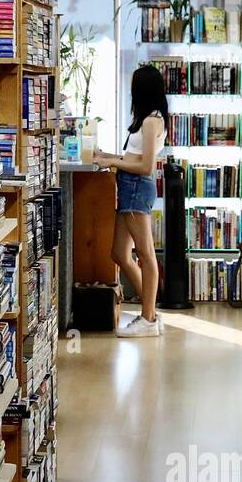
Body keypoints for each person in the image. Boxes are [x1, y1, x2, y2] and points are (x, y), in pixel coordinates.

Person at [96, 65, 168, 338]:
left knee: (146, 254)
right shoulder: (146, 119)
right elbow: (134, 158)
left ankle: (148, 318)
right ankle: (150, 312)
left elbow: (146, 166)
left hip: (138, 187)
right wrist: (109, 156)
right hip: (129, 186)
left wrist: (112, 161)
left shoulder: (151, 121)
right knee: (119, 254)